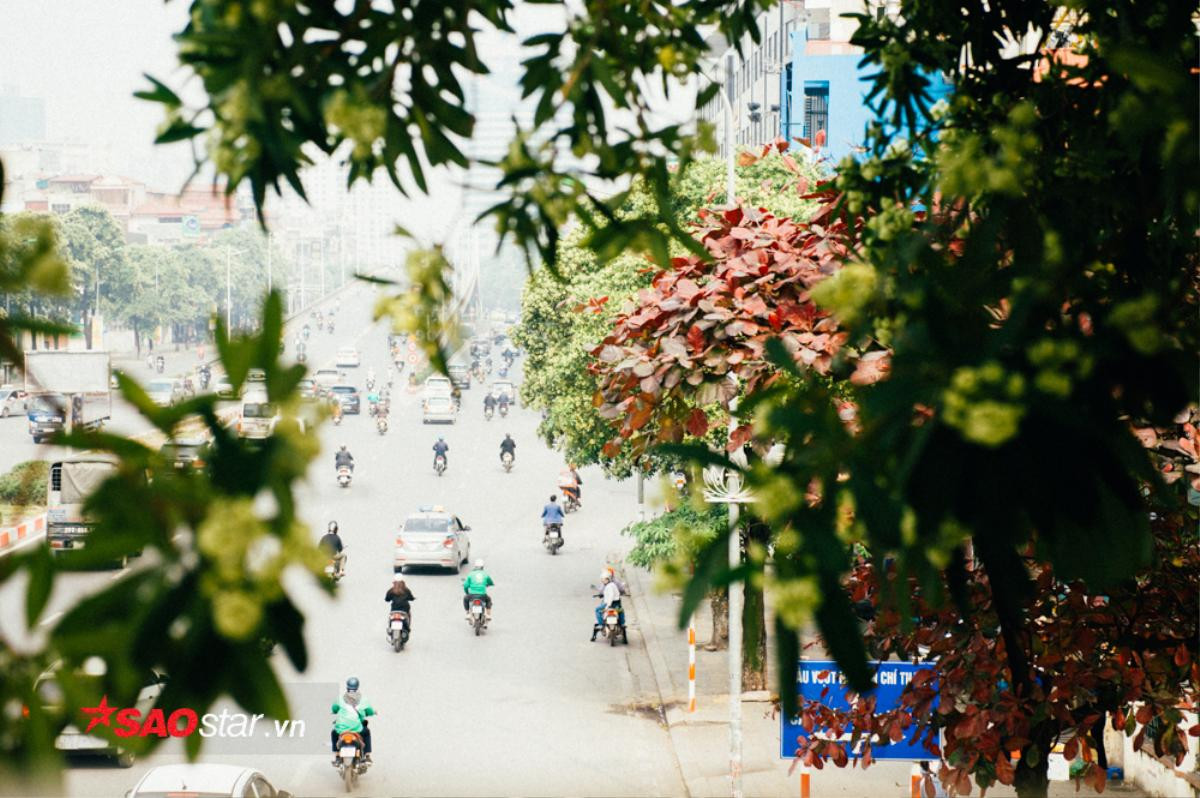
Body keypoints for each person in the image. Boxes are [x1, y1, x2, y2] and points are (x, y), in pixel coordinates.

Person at [330, 677, 375, 762]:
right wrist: (373, 712)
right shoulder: (363, 699)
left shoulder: (340, 699)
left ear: (347, 687)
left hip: (341, 729)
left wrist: (334, 711)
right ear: (357, 687)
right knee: (366, 732)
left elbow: (334, 709)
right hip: (356, 729)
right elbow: (370, 711)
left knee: (334, 733)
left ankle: (337, 755)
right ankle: (367, 755)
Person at [592, 572, 626, 641]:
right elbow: (617, 593)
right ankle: (622, 623)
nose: (602, 581)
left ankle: (601, 624)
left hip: (609, 604)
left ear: (607, 579)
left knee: (597, 610)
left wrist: (607, 606)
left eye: (603, 579)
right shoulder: (613, 585)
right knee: (621, 611)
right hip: (617, 604)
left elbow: (610, 597)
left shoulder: (608, 586)